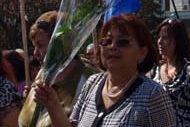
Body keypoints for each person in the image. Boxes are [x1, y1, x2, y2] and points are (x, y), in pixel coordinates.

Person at [33, 13, 176, 126]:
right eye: (106, 42)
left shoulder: (153, 95)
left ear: (142, 53)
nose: (113, 47)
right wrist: (52, 104)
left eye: (123, 42)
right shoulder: (92, 83)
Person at [19, 11, 98, 127]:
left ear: (62, 45)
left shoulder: (90, 80)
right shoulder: (42, 74)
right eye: (34, 46)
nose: (35, 53)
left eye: (40, 45)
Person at [150, 19, 190, 127]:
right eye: (159, 37)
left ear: (178, 41)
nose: (159, 41)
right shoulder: (156, 70)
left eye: (165, 38)